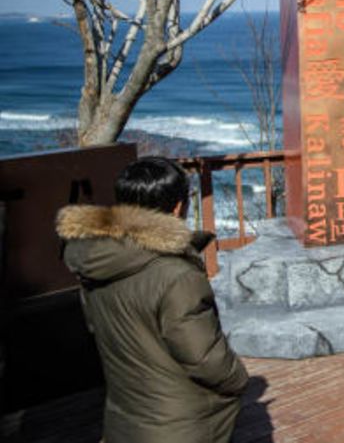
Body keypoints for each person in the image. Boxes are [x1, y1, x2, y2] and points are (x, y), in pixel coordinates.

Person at [57, 157, 248, 442]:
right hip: (181, 424)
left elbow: (96, 328)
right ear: (178, 207)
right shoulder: (177, 275)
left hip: (124, 415)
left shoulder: (94, 262)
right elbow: (204, 358)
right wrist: (238, 378)